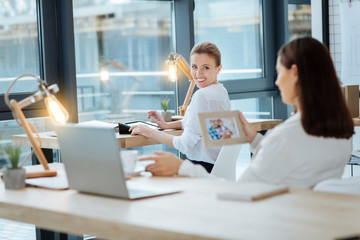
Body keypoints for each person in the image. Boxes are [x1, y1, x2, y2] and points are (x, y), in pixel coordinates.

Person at [138, 37, 354, 189]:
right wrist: (255, 140)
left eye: (279, 73)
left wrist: (181, 167)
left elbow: (239, 190)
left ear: (295, 73)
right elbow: (294, 160)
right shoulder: (341, 132)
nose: (277, 82)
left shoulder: (287, 135)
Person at [130, 42, 231, 173]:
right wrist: (167, 125)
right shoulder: (221, 92)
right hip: (218, 169)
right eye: (194, 67)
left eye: (205, 67)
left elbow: (184, 145)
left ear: (218, 68)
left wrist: (149, 131)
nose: (198, 73)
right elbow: (199, 125)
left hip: (201, 169)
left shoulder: (202, 95)